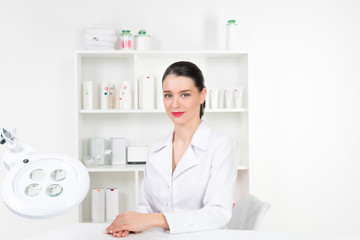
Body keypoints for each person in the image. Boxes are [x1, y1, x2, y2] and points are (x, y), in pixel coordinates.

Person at [105, 61, 237, 238]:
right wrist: (131, 224)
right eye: (168, 95)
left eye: (185, 95)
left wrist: (154, 220)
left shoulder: (221, 146)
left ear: (202, 95)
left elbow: (218, 214)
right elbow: (146, 206)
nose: (175, 104)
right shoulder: (156, 149)